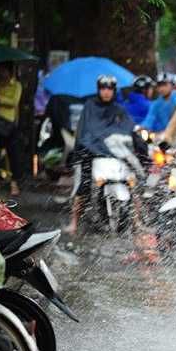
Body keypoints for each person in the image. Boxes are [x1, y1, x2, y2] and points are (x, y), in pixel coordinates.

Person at [65, 75, 142, 235]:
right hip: (91, 151)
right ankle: (74, 222)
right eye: (103, 88)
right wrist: (88, 146)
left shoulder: (118, 109)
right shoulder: (89, 106)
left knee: (133, 182)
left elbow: (128, 127)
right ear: (99, 89)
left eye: (110, 89)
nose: (106, 92)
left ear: (114, 91)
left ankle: (137, 222)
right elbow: (84, 131)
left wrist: (135, 137)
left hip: (115, 153)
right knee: (84, 185)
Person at [0, 63, 23, 196]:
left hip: (9, 124)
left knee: (13, 155)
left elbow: (13, 102)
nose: (1, 73)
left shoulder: (16, 85)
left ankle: (14, 184)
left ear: (10, 71)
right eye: (0, 71)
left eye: (4, 70)